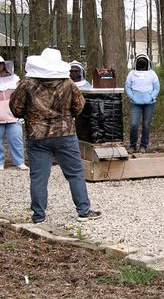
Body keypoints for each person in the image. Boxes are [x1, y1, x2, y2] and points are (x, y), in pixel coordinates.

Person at [9, 48, 101, 223]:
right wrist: (67, 116)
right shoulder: (68, 83)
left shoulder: (27, 84)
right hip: (65, 134)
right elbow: (79, 106)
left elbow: (16, 108)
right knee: (75, 174)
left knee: (38, 177)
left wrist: (30, 117)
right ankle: (83, 210)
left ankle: (38, 215)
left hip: (37, 136)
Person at [125, 53, 160, 154]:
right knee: (134, 124)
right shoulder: (131, 74)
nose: (141, 64)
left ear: (147, 63)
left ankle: (143, 146)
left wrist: (151, 97)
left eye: (143, 62)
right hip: (135, 103)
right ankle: (132, 146)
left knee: (146, 124)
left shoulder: (152, 74)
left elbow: (157, 87)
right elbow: (127, 86)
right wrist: (132, 96)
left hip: (149, 103)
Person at [0, 57, 28, 171]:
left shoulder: (14, 79)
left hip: (13, 115)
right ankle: (0, 163)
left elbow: (21, 97)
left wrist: (22, 113)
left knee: (16, 139)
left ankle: (19, 162)